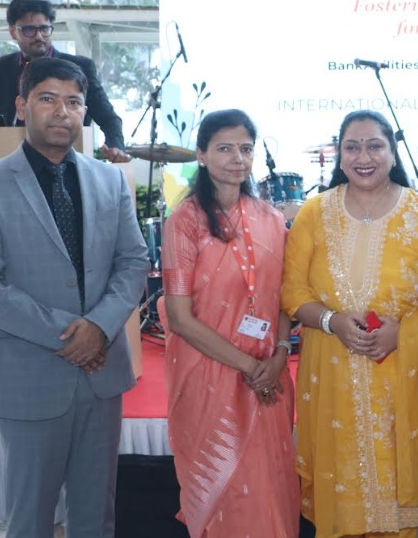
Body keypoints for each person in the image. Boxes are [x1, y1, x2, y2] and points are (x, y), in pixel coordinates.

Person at [282, 110, 418, 538]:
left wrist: (402, 333)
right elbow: (293, 292)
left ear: (392, 153)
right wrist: (331, 321)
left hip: (401, 378)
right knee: (341, 497)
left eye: (374, 146)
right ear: (340, 156)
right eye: (352, 147)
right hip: (332, 379)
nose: (363, 157)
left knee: (393, 501)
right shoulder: (314, 213)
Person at [0, 57, 148, 537]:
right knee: (29, 519)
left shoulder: (109, 179)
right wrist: (70, 335)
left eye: (74, 102)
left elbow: (133, 262)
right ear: (22, 106)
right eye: (48, 99)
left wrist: (98, 327)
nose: (62, 111)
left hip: (101, 373)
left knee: (96, 516)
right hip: (30, 374)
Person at [161, 109, 299, 537]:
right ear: (201, 155)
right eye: (224, 149)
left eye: (246, 149)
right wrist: (250, 366)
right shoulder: (184, 222)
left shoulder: (271, 219)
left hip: (269, 374)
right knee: (224, 492)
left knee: (270, 486)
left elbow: (284, 296)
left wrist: (279, 355)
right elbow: (180, 318)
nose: (238, 159)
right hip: (210, 374)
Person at [0, 0, 129, 162]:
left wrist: (115, 145)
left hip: (69, 155)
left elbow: (108, 118)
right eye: (29, 30)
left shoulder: (80, 67)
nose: (39, 36)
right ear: (13, 32)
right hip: (11, 156)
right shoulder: (0, 68)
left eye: (44, 29)